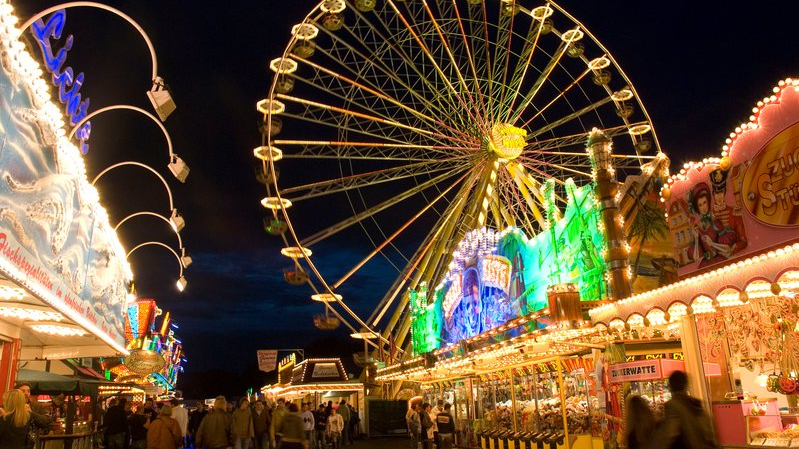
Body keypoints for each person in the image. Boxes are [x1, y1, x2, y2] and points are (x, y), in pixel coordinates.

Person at [659, 370, 718, 449]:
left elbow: (669, 435)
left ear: (670, 387)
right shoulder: (697, 404)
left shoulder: (672, 406)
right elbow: (709, 434)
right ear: (686, 385)